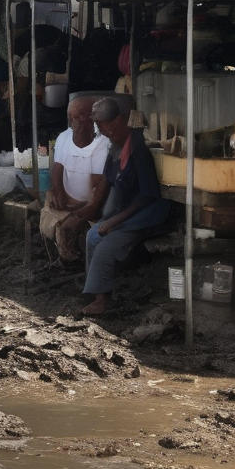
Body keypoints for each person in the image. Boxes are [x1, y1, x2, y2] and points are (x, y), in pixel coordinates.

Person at [81, 97, 171, 315]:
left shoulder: (138, 150)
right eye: (99, 125)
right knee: (92, 235)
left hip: (149, 213)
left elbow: (148, 196)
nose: (102, 130)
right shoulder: (116, 149)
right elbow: (110, 183)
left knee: (106, 246)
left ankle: (102, 301)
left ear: (120, 120)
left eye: (105, 124)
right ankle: (94, 292)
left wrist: (114, 221)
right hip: (127, 210)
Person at [40, 97, 110, 264]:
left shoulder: (103, 142)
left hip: (90, 202)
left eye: (80, 116)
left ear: (91, 117)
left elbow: (98, 183)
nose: (75, 122)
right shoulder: (64, 138)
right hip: (68, 198)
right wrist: (59, 194)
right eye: (71, 118)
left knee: (71, 226)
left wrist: (80, 207)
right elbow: (57, 168)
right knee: (50, 202)